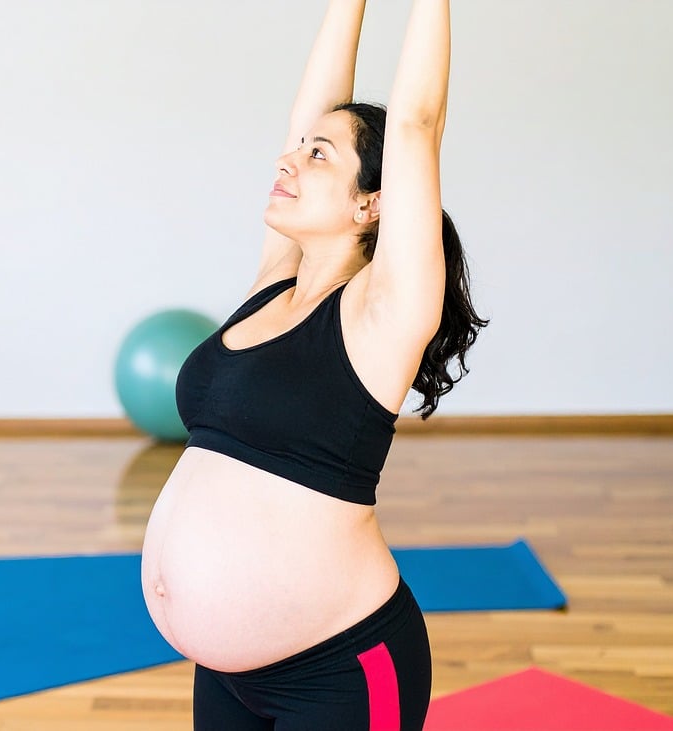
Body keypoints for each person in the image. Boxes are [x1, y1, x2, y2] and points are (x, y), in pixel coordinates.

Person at [141, 0, 486, 727]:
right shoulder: (274, 283)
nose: (288, 158)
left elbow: (417, 124)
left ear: (373, 204)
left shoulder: (385, 314)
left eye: (319, 155)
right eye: (298, 148)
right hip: (228, 673)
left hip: (342, 672)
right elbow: (313, 108)